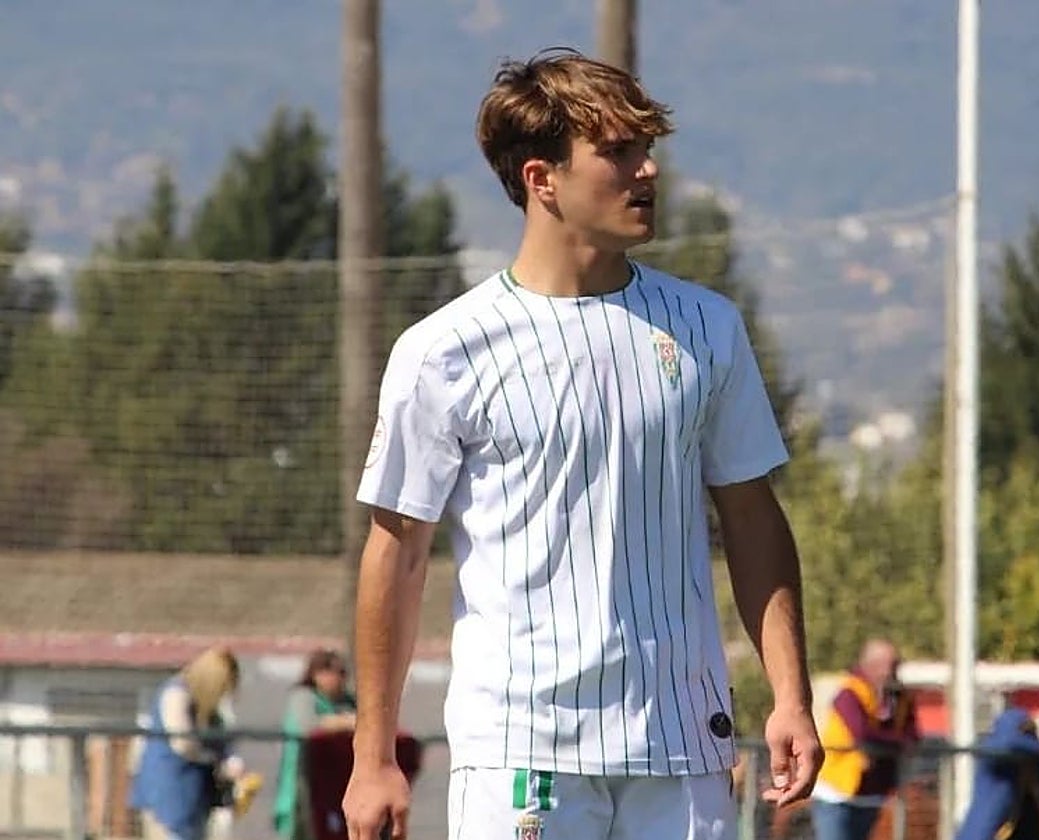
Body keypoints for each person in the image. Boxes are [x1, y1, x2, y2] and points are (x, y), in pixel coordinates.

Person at [342, 48, 823, 840]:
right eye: (619, 151)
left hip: (681, 747)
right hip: (519, 751)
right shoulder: (444, 351)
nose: (648, 171)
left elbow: (752, 518)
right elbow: (395, 553)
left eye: (647, 148)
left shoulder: (708, 328)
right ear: (542, 179)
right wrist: (373, 756)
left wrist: (791, 697)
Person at [130, 646, 246, 840]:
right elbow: (182, 744)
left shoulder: (209, 708)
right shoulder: (176, 693)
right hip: (169, 790)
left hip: (197, 794)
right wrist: (217, 763)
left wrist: (230, 758)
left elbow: (220, 739)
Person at [810, 639, 919, 840]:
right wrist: (897, 743)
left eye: (895, 665)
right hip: (838, 792)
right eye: (888, 665)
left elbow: (912, 735)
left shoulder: (899, 698)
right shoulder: (849, 693)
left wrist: (896, 742)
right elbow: (862, 735)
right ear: (869, 665)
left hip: (872, 792)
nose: (892, 672)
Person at [956, 707, 1039, 840]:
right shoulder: (995, 755)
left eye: (1031, 731)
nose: (1029, 737)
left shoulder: (1037, 762)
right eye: (1023, 731)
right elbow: (1007, 741)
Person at [274, 648, 358, 840]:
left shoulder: (349, 702)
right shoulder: (303, 697)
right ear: (315, 674)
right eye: (329, 671)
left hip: (340, 781)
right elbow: (308, 726)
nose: (336, 678)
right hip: (304, 777)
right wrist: (345, 722)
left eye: (341, 672)